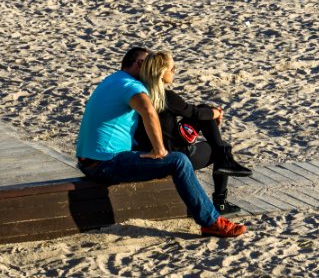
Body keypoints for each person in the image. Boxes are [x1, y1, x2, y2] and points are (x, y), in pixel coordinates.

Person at [76, 47, 246, 237]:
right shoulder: (132, 86)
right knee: (179, 161)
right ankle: (211, 222)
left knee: (178, 159)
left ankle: (212, 210)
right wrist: (159, 150)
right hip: (106, 163)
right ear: (141, 65)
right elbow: (148, 111)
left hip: (91, 159)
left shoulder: (113, 80)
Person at [133, 50, 252, 215]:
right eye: (172, 68)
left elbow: (194, 112)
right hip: (174, 156)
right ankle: (220, 201)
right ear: (161, 74)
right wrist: (216, 113)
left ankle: (224, 157)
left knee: (204, 111)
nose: (175, 71)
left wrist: (209, 112)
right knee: (220, 145)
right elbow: (194, 113)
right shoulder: (167, 97)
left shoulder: (139, 94)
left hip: (151, 149)